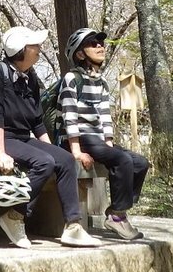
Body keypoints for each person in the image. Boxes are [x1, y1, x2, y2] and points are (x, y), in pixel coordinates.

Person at [0, 26, 101, 249]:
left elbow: (37, 121)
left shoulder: (30, 77)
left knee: (64, 159)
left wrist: (54, 150)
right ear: (22, 49)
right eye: (35, 45)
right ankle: (14, 216)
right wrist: (0, 153)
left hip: (20, 138)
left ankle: (73, 226)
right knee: (44, 162)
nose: (40, 48)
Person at [59, 28, 149, 240]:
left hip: (97, 139)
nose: (100, 47)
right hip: (78, 138)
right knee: (122, 160)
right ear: (80, 53)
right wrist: (76, 151)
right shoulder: (71, 78)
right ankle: (118, 217)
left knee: (140, 163)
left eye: (101, 43)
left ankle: (118, 210)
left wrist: (108, 142)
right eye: (93, 44)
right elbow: (69, 115)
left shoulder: (101, 82)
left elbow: (105, 115)